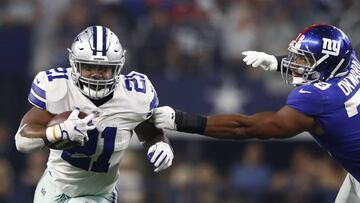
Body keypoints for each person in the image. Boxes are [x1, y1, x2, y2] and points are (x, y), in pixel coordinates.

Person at [151, 24, 360, 203]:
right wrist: (276, 62)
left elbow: (246, 128)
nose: (295, 63)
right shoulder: (349, 62)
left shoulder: (318, 97)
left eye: (304, 60)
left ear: (326, 65)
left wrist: (183, 121)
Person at [15, 25, 174, 203]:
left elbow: (150, 133)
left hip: (98, 195)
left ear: (117, 69)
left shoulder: (134, 96)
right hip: (53, 186)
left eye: (104, 69)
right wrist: (57, 132)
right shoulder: (58, 88)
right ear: (74, 64)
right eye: (89, 67)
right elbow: (22, 141)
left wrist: (160, 144)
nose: (96, 75)